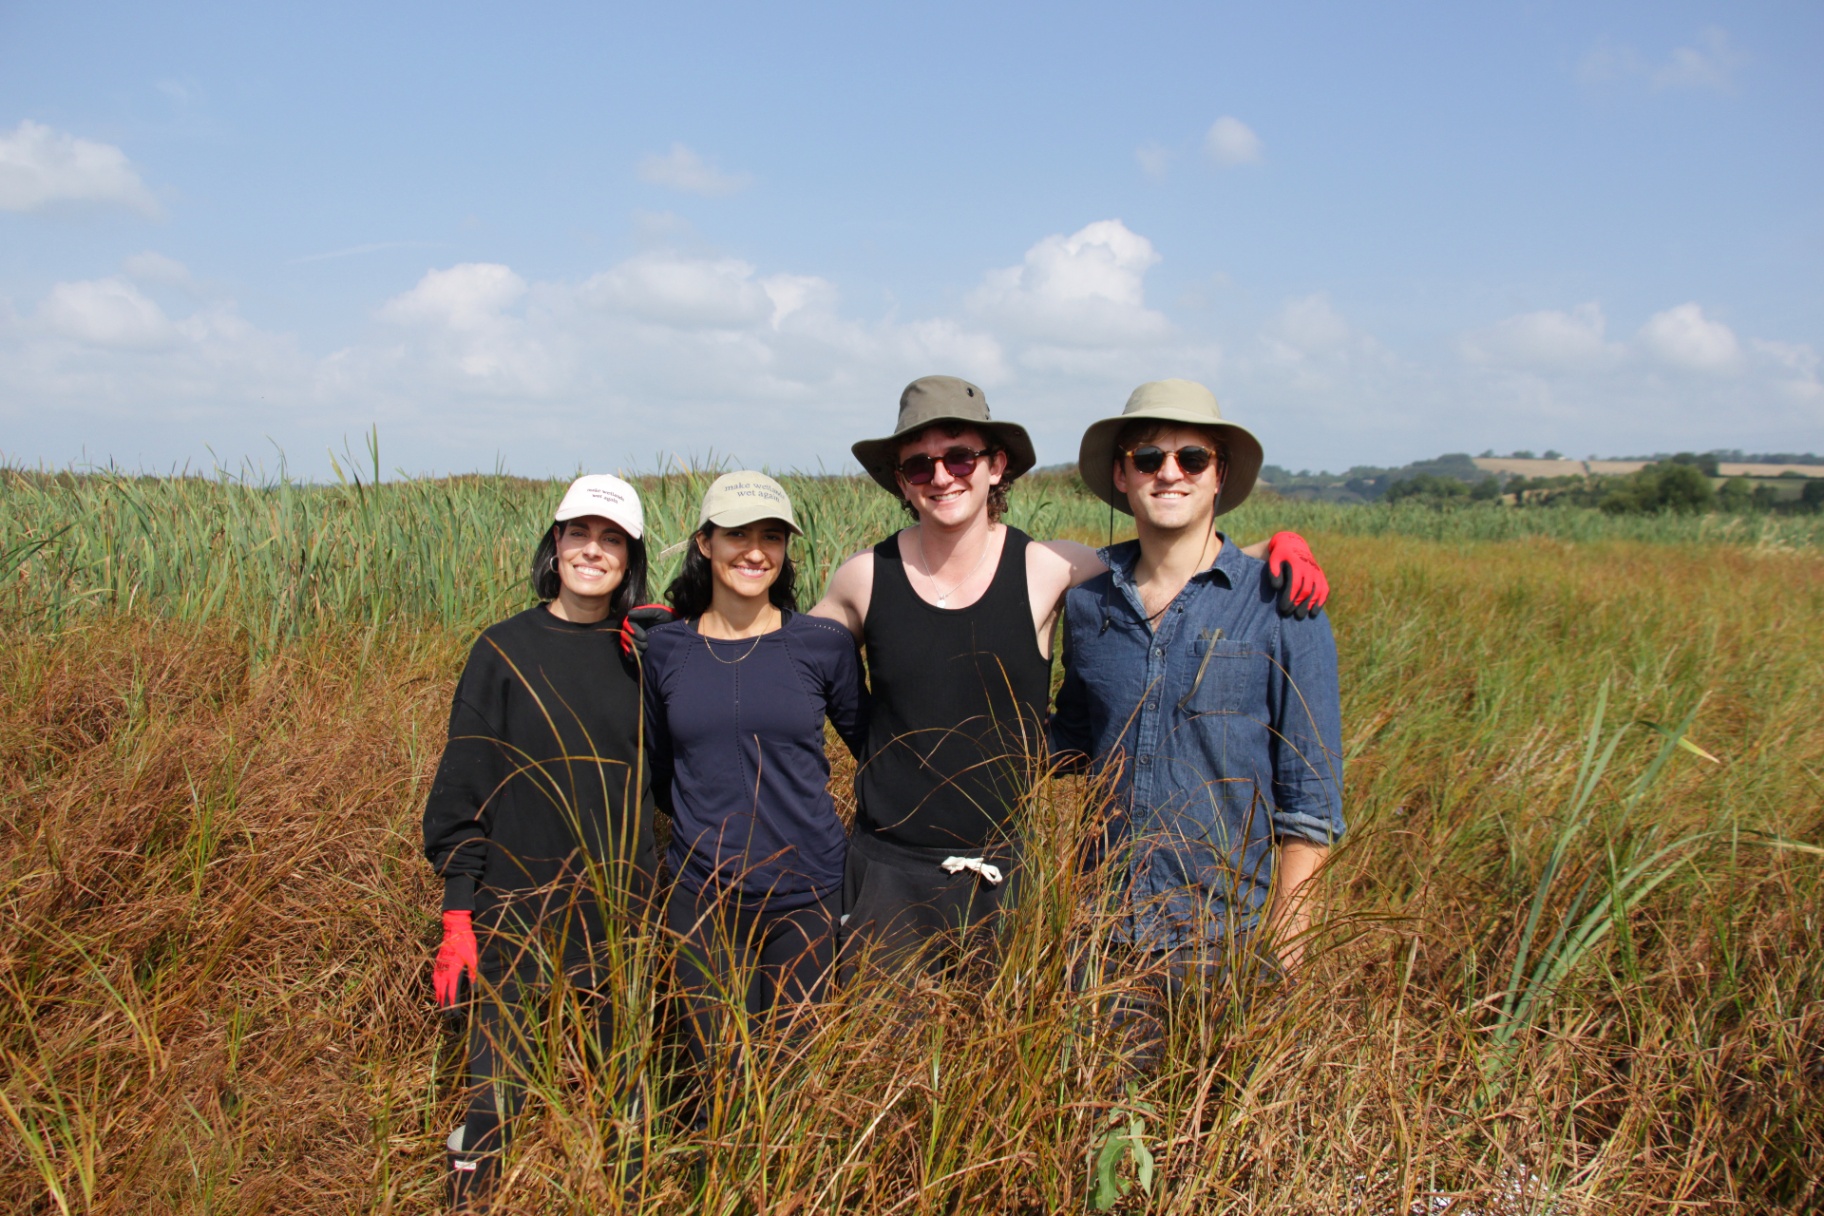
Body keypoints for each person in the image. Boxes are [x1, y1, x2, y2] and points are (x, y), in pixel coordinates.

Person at [812, 374, 1331, 975]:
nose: (943, 476)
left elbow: (1183, 563)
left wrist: (1273, 549)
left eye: (959, 457)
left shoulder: (1050, 566)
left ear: (996, 465)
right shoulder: (861, 578)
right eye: (920, 465)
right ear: (901, 479)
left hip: (1012, 878)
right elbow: (789, 653)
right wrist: (686, 617)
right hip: (888, 875)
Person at [1049, 380, 1345, 1053]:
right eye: (1149, 457)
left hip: (1225, 942)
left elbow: (1311, 805)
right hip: (1102, 937)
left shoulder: (1282, 606)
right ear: (1122, 474)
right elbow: (1073, 737)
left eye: (1192, 457)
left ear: (1221, 475)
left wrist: (1282, 957)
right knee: (1096, 1138)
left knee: (1214, 1149)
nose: (1170, 472)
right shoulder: (1089, 602)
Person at [422, 473, 659, 1205]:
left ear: (632, 556)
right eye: (579, 534)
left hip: (626, 912)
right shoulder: (503, 650)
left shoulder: (649, 654)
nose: (593, 550)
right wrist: (460, 909)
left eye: (612, 538)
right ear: (554, 545)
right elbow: (465, 779)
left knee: (626, 1096)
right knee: (494, 1096)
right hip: (516, 910)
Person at [641, 471, 866, 1125]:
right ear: (705, 543)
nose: (755, 550)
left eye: (772, 536)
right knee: (719, 1078)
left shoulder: (822, 645)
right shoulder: (664, 649)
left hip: (808, 893)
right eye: (736, 534)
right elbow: (660, 774)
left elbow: (874, 749)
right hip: (701, 898)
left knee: (795, 1077)